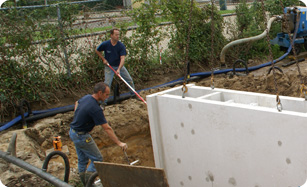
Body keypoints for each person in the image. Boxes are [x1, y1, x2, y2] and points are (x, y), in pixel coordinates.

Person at [69, 82, 127, 186]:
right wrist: (119, 143)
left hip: (73, 132)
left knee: (82, 160)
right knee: (97, 159)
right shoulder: (95, 109)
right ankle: (89, 183)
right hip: (81, 136)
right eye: (106, 94)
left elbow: (76, 103)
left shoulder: (87, 98)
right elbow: (107, 128)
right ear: (100, 93)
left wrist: (78, 118)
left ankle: (84, 183)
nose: (107, 97)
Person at [95, 28, 136, 99]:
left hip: (119, 66)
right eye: (116, 35)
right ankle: (104, 102)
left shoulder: (121, 46)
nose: (118, 36)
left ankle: (133, 95)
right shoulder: (105, 44)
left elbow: (122, 58)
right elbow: (97, 50)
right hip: (109, 67)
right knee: (107, 84)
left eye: (118, 35)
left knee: (129, 80)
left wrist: (119, 69)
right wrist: (103, 59)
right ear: (111, 35)